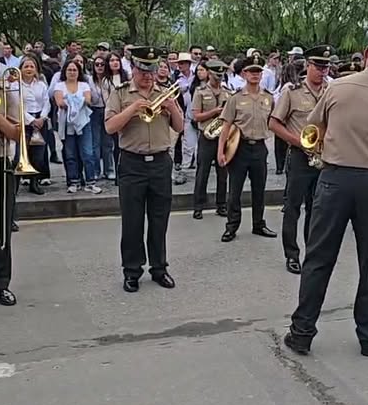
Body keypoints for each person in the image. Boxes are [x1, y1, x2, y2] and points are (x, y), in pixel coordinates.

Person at [284, 24, 368, 359]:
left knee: (318, 258)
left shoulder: (336, 88)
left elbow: (314, 128)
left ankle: (302, 333)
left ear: (367, 53)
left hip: (334, 179)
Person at [105, 46, 184, 292]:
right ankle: (132, 271)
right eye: (143, 71)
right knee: (132, 221)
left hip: (160, 162)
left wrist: (172, 107)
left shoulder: (165, 92)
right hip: (132, 163)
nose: (148, 76)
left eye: (151, 71)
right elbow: (109, 127)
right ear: (134, 69)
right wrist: (133, 108)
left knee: (160, 219)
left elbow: (180, 127)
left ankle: (159, 268)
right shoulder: (120, 93)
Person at [270, 44, 331, 274]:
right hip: (299, 156)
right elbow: (274, 123)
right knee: (293, 207)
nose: (322, 71)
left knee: (318, 210)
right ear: (308, 65)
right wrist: (298, 142)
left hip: (324, 157)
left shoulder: (331, 91)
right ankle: (292, 254)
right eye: (318, 66)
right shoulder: (292, 91)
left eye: (326, 67)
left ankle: (312, 253)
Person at [217, 53, 277, 243]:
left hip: (259, 148)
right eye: (251, 71)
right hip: (239, 148)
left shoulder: (268, 98)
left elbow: (274, 122)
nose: (255, 74)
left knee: (259, 189)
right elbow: (226, 126)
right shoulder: (235, 98)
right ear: (244, 73)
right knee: (235, 191)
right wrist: (221, 151)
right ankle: (231, 226)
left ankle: (258, 224)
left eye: (258, 71)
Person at [54, 60, 102, 195]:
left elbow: (88, 100)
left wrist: (72, 100)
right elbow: (59, 102)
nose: (72, 72)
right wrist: (75, 101)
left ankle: (90, 182)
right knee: (70, 154)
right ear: (65, 71)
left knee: (88, 153)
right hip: (67, 124)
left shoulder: (84, 85)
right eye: (69, 70)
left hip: (83, 123)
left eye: (74, 70)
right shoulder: (59, 85)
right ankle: (73, 182)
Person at [192, 59, 230, 220]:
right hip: (206, 136)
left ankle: (221, 205)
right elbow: (196, 116)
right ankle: (198, 206)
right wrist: (215, 111)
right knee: (203, 172)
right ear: (209, 74)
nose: (218, 79)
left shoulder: (227, 92)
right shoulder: (200, 92)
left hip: (222, 136)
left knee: (223, 173)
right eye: (216, 75)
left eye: (221, 76)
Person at [0, 84, 20, 305]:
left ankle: (0, 283)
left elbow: (18, 132)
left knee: (1, 228)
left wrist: (1, 122)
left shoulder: (3, 92)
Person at [19, 55, 50, 194]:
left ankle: (34, 182)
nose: (29, 69)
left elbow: (46, 102)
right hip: (25, 121)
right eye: (26, 66)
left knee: (39, 154)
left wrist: (42, 118)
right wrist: (31, 120)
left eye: (32, 66)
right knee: (25, 153)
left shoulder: (41, 85)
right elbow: (17, 104)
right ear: (21, 69)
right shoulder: (16, 85)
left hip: (40, 121)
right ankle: (23, 179)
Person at [89, 55, 115, 180]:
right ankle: (96, 170)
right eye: (97, 64)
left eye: (102, 64)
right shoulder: (89, 80)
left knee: (108, 143)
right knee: (95, 143)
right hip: (93, 111)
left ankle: (109, 170)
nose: (99, 67)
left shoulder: (109, 80)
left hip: (107, 110)